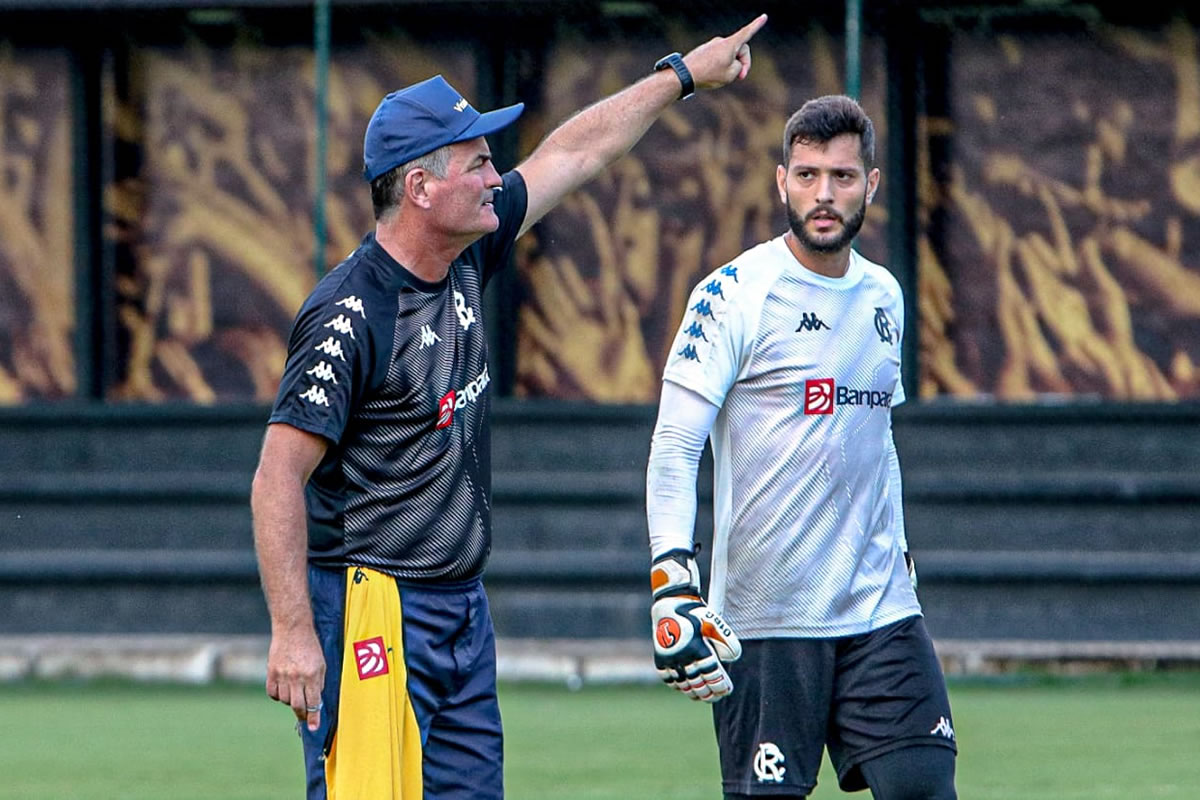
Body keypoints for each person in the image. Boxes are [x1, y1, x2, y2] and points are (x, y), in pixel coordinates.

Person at [249, 13, 768, 800]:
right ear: (420, 188)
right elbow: (275, 479)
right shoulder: (349, 314)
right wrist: (292, 634)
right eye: (479, 162)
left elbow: (576, 152)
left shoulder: (469, 251)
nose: (498, 177)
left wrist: (683, 75)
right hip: (374, 611)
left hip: (462, 610)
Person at [645, 94, 958, 799]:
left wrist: (902, 551)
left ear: (870, 185)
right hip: (766, 618)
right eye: (809, 175)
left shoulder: (884, 297)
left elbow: (877, 439)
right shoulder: (731, 295)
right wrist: (673, 585)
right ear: (781, 180)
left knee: (925, 787)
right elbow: (675, 446)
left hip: (880, 609)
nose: (824, 194)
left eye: (842, 177)